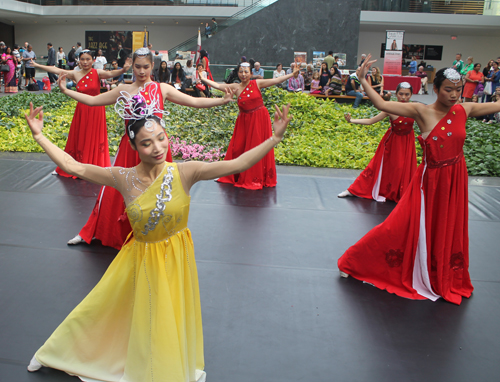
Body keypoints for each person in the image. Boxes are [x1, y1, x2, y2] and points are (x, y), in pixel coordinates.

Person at [24, 100, 292, 381]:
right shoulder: (123, 178)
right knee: (104, 309)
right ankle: (57, 352)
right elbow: (73, 166)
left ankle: (163, 368)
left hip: (177, 258)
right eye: (147, 143)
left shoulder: (185, 172)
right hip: (140, 259)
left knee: (165, 318)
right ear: (134, 147)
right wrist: (40, 136)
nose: (158, 147)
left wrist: (273, 138)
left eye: (161, 138)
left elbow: (238, 163)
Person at [338, 54, 500, 305]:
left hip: (455, 179)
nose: (454, 95)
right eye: (448, 90)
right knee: (400, 224)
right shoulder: (420, 111)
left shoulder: (464, 109)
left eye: (458, 90)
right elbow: (381, 105)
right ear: (435, 89)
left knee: (447, 227)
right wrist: (363, 81)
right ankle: (354, 260)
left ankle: (441, 271)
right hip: (430, 181)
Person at [59, 48, 234, 249]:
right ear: (131, 66)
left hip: (156, 150)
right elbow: (92, 101)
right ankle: (102, 230)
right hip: (130, 148)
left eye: (146, 67)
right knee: (114, 190)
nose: (142, 71)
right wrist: (66, 90)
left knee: (158, 191)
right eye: (137, 66)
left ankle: (155, 233)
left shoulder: (162, 89)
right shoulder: (123, 89)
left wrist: (221, 100)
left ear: (153, 66)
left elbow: (193, 101)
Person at [31, 50, 131, 177]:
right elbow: (55, 70)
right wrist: (37, 65)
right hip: (82, 110)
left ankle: (96, 166)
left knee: (94, 135)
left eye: (88, 59)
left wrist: (123, 70)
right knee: (80, 135)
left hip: (96, 109)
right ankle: (74, 166)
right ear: (79, 60)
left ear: (93, 60)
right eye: (82, 59)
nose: (85, 62)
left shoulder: (97, 72)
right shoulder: (75, 74)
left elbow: (110, 73)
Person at [200, 62, 299, 190]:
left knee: (256, 148)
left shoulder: (257, 84)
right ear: (238, 73)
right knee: (238, 148)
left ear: (251, 73)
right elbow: (218, 85)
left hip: (259, 119)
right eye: (241, 71)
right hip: (244, 121)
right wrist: (203, 79)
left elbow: (277, 80)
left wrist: (291, 74)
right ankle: (233, 174)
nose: (244, 74)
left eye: (246, 71)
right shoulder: (235, 87)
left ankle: (255, 177)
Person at [338, 82, 417, 203]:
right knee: (379, 166)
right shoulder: (391, 108)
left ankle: (401, 193)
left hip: (408, 142)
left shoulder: (415, 109)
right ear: (396, 94)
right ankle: (354, 189)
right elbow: (371, 121)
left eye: (407, 94)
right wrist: (352, 120)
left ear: (411, 95)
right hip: (393, 143)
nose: (404, 97)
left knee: (402, 168)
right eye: (401, 94)